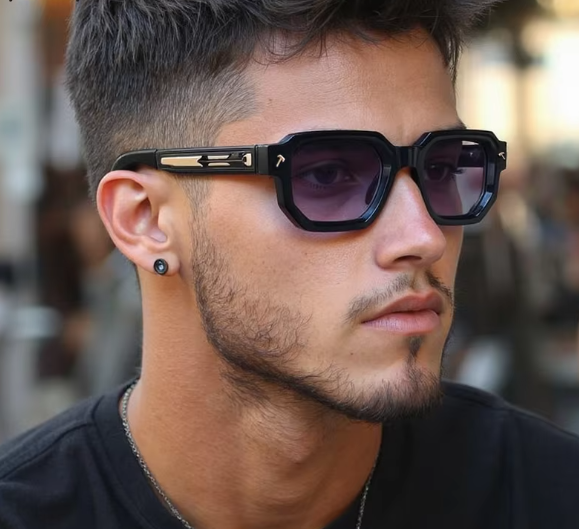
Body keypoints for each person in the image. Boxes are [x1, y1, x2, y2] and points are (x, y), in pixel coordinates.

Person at [1, 1, 578, 528]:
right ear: (145, 219)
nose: (424, 237)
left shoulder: (547, 494)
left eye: (444, 167)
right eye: (327, 175)